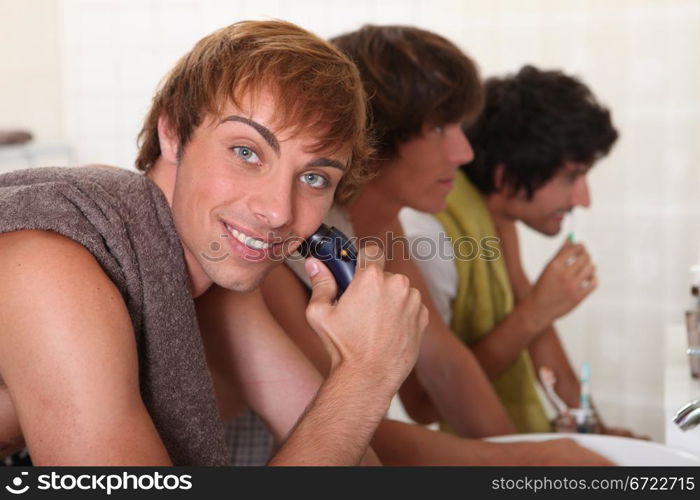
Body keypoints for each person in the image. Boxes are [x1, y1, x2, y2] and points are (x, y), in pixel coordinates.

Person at [0, 20, 428, 466]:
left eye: (314, 178)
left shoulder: (211, 278)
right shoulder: (49, 270)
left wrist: (364, 368)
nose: (278, 211)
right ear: (173, 133)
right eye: (246, 152)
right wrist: (365, 376)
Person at [261, 25, 614, 465]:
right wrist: (523, 461)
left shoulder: (385, 226)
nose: (465, 152)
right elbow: (330, 423)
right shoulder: (284, 244)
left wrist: (536, 459)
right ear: (375, 136)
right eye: (442, 128)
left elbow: (446, 365)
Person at [400, 65, 635, 435]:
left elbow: (538, 333)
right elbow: (423, 404)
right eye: (571, 177)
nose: (584, 199)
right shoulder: (428, 234)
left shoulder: (499, 220)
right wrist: (539, 310)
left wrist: (597, 435)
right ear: (505, 177)